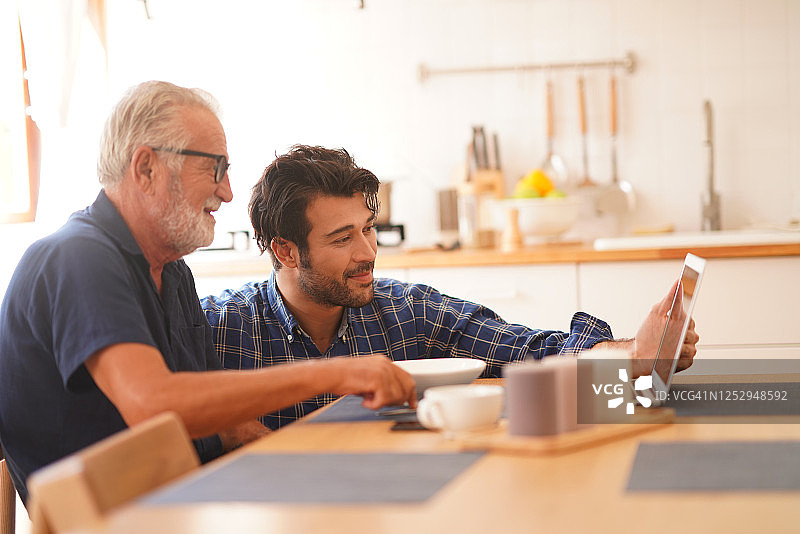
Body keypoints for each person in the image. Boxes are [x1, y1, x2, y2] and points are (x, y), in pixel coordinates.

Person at [0, 83, 416, 505]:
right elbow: (153, 404)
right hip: (116, 520)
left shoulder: (171, 269)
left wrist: (309, 469)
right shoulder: (78, 257)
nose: (228, 191)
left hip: (184, 503)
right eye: (214, 168)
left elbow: (225, 427)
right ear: (146, 168)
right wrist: (336, 373)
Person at [202, 145, 699, 429]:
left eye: (369, 229)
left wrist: (632, 355)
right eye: (342, 239)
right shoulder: (222, 329)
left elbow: (530, 353)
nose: (369, 253)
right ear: (285, 251)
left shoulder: (407, 311)